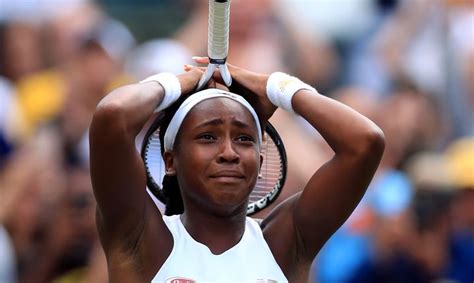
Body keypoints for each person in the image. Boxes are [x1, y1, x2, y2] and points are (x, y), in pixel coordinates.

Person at [89, 57, 385, 282]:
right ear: (170, 160)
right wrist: (178, 84)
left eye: (244, 139)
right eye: (208, 137)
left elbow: (365, 143)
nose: (229, 152)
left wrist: (277, 87)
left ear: (259, 161)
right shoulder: (140, 239)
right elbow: (113, 116)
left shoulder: (285, 243)